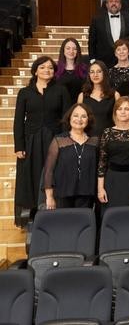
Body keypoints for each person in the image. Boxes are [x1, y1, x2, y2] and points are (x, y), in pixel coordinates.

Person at [14, 56, 71, 225]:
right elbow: (18, 121)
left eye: (51, 68)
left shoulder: (61, 90)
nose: (47, 70)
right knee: (31, 173)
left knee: (52, 172)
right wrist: (19, 145)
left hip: (54, 140)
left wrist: (65, 143)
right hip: (31, 140)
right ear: (36, 70)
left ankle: (53, 207)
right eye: (43, 67)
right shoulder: (24, 92)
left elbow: (66, 118)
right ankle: (32, 210)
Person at [43, 103, 98, 210]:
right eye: (75, 115)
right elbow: (48, 171)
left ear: (88, 120)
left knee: (84, 225)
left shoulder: (95, 141)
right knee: (64, 226)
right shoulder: (59, 140)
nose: (79, 119)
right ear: (69, 118)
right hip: (63, 194)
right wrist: (49, 197)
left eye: (83, 116)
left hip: (87, 195)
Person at [88, 0, 129, 67]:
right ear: (106, 5)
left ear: (120, 5)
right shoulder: (97, 20)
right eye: (111, 1)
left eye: (116, 1)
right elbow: (92, 41)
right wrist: (92, 59)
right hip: (103, 62)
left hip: (125, 62)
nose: (114, 4)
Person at [78, 61, 120, 137]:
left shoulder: (115, 95)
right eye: (92, 72)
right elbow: (79, 121)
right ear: (89, 75)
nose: (95, 75)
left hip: (110, 138)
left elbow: (119, 120)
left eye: (99, 72)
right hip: (88, 139)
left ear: (104, 73)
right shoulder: (82, 96)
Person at [54, 37, 87, 102]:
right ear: (63, 50)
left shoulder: (84, 69)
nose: (71, 51)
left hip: (80, 107)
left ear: (78, 51)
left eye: (74, 49)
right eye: (68, 48)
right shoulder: (56, 69)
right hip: (61, 108)